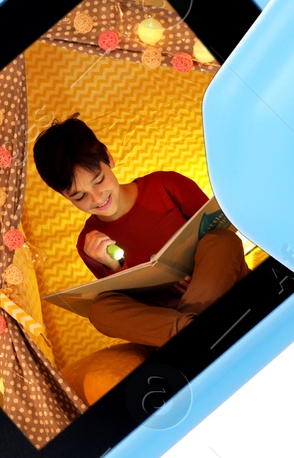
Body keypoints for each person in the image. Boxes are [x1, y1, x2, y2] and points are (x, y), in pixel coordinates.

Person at [31, 114, 247, 348]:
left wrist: (197, 276)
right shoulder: (89, 243)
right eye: (79, 196)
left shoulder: (166, 184)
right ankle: (191, 331)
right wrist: (112, 266)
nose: (96, 197)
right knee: (100, 309)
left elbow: (218, 229)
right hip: (165, 315)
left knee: (222, 241)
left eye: (99, 180)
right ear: (65, 196)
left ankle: (190, 335)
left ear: (109, 158)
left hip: (214, 284)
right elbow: (128, 303)